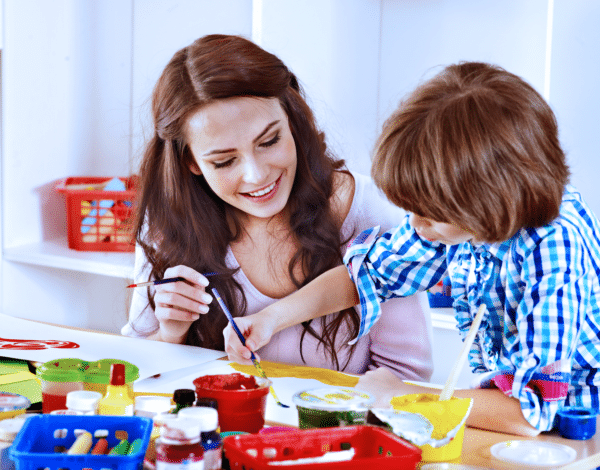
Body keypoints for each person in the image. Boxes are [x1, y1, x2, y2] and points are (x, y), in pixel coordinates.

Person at [224, 61, 600, 436]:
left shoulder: (553, 248)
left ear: (487, 201)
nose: (415, 225)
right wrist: (273, 318)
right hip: (508, 426)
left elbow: (527, 413)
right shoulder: (459, 222)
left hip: (576, 436)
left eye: (429, 214)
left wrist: (400, 394)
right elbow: (368, 276)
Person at [121, 34, 433, 381]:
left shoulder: (370, 214)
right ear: (191, 162)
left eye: (269, 141)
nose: (256, 176)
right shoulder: (170, 221)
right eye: (224, 161)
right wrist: (170, 332)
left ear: (293, 120)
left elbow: (408, 381)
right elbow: (138, 375)